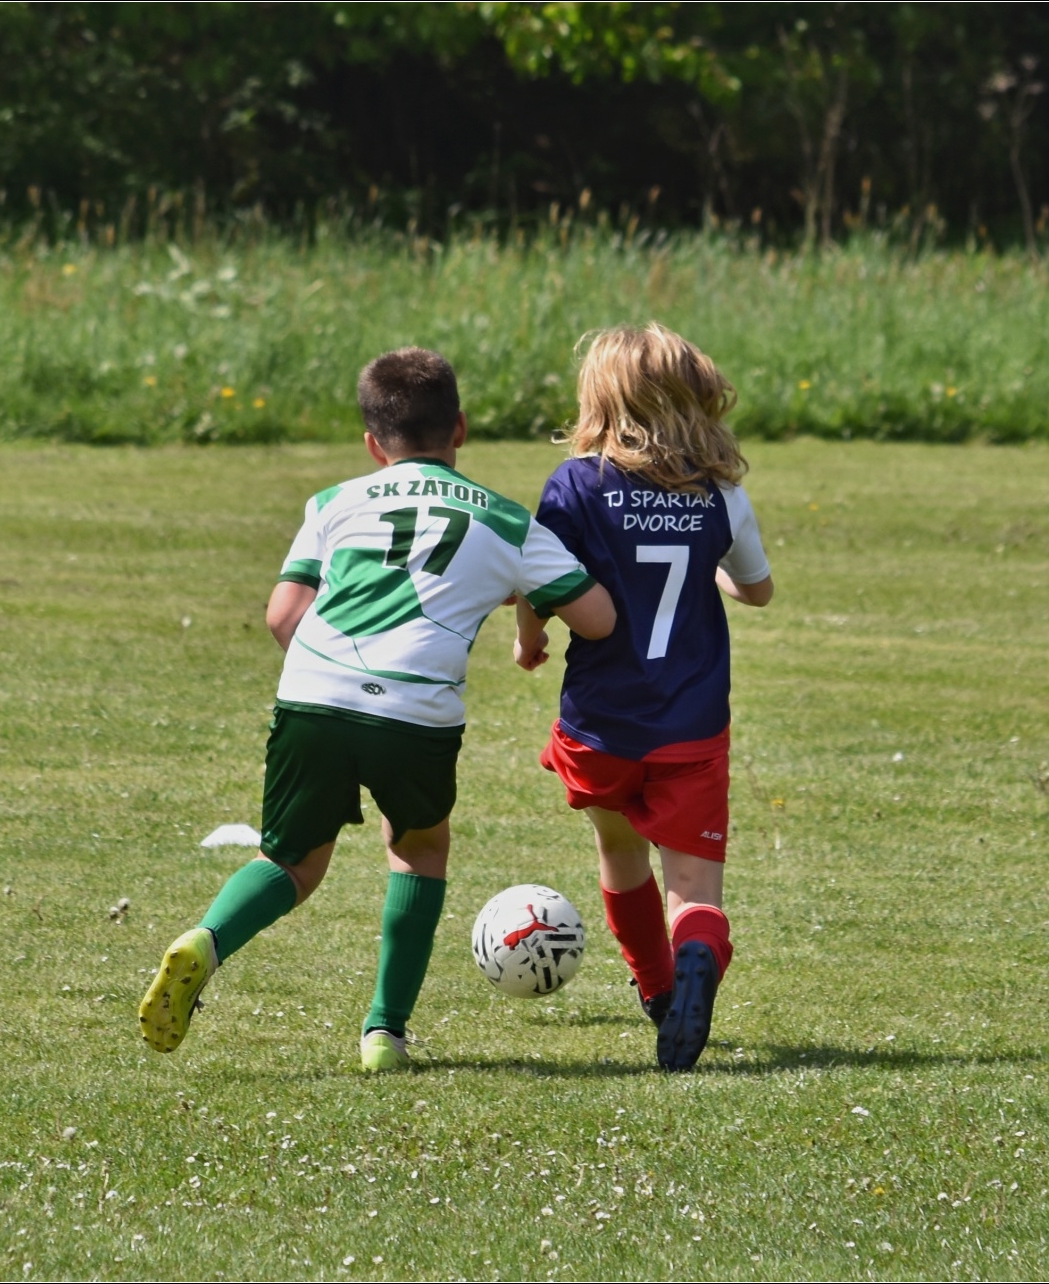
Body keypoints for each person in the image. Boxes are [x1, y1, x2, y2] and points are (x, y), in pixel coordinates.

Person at [138, 347, 615, 1071]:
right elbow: (597, 619)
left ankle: (206, 940)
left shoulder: (333, 503)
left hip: (314, 693)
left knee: (291, 861)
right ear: (461, 428)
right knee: (419, 848)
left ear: (372, 443)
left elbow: (282, 615)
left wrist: (334, 677)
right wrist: (529, 601)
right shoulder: (506, 522)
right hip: (416, 710)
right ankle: (383, 1034)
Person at [520, 323, 773, 1072]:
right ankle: (694, 956)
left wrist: (528, 640)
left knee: (619, 848)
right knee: (693, 892)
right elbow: (756, 589)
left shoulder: (574, 485)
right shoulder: (721, 493)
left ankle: (659, 991)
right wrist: (712, 571)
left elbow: (540, 575)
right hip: (691, 724)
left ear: (599, 397)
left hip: (600, 724)